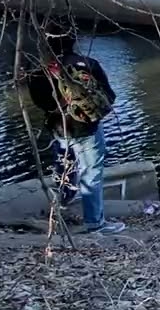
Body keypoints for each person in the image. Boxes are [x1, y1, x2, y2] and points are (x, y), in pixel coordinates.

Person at [26, 24, 125, 234]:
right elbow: (110, 96)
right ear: (73, 42)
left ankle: (63, 203)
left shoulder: (38, 70)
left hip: (58, 128)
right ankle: (95, 223)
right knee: (91, 174)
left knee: (63, 166)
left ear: (47, 43)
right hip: (87, 127)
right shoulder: (88, 64)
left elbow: (39, 102)